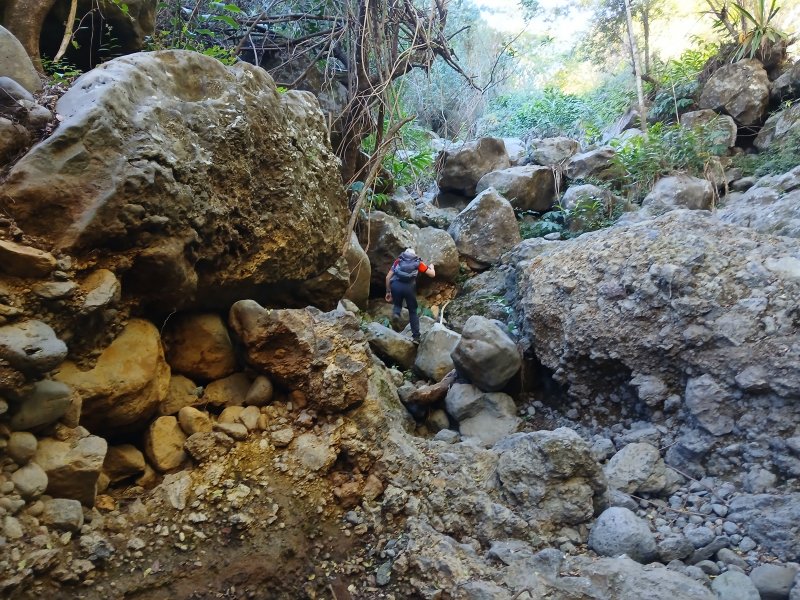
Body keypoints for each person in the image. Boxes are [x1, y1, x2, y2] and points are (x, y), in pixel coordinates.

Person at [385, 248, 436, 342]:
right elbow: (432, 274)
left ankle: (396, 312)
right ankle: (416, 336)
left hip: (396, 286)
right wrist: (431, 267)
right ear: (414, 255)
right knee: (412, 311)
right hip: (409, 288)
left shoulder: (398, 261)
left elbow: (388, 277)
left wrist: (388, 291)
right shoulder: (418, 263)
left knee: (397, 303)